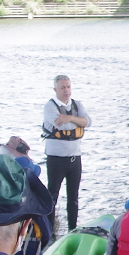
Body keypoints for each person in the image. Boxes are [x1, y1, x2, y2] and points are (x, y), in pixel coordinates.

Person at [42, 75, 91, 231]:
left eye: (68, 87)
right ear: (55, 89)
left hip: (75, 158)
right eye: (63, 87)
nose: (66, 90)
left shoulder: (77, 105)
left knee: (73, 198)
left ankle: (72, 229)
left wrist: (69, 117)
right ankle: (50, 232)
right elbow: (63, 127)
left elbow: (88, 122)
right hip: (56, 159)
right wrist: (78, 120)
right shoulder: (50, 107)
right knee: (52, 196)